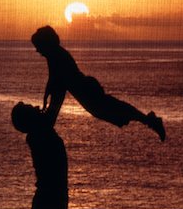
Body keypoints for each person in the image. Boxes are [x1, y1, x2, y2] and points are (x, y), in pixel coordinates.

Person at [31, 26, 166, 141]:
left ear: (45, 43)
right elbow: (53, 79)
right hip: (84, 89)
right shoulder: (54, 55)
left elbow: (56, 82)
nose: (37, 50)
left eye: (38, 46)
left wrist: (48, 107)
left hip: (87, 89)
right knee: (110, 109)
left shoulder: (57, 55)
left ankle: (150, 121)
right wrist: (46, 98)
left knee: (112, 109)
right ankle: (150, 120)